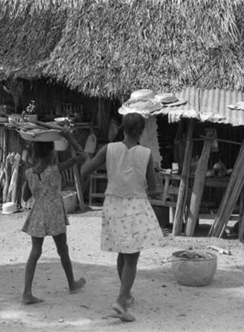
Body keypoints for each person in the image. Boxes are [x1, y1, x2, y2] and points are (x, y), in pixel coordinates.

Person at [81, 112, 164, 322]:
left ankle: (126, 294)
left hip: (113, 205)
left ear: (122, 129)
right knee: (132, 257)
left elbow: (84, 171)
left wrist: (86, 155)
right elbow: (154, 188)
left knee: (122, 252)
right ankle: (120, 300)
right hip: (135, 206)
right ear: (142, 131)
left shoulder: (108, 149)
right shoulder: (146, 153)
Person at [21, 130, 87, 304]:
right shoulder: (56, 169)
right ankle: (72, 284)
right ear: (52, 152)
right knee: (62, 249)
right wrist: (70, 137)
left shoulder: (29, 173)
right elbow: (83, 155)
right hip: (55, 213)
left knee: (35, 252)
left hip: (37, 214)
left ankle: (27, 292)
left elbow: (25, 197)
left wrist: (31, 181)